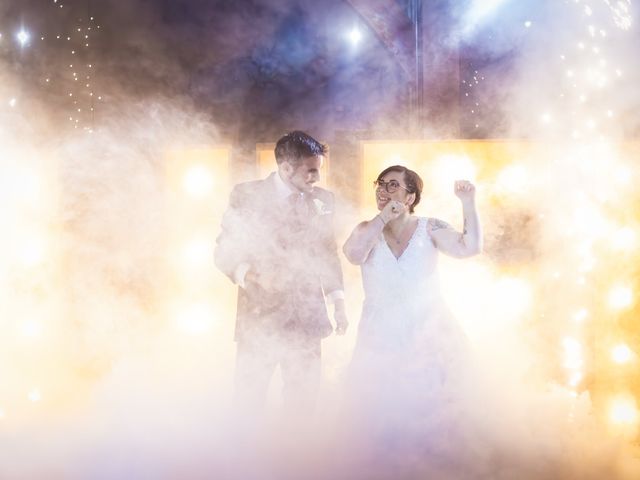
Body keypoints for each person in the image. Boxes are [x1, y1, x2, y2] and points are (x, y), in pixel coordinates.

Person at [341, 165, 481, 472]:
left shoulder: (429, 227)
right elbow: (353, 255)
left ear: (410, 196)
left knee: (432, 410)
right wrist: (382, 218)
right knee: (381, 412)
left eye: (392, 185)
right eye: (379, 184)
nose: (382, 190)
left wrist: (467, 203)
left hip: (427, 331)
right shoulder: (367, 228)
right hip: (380, 334)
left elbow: (469, 248)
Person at [215, 131, 348, 416]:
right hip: (259, 319)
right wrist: (253, 277)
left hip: (308, 319)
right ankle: (246, 457)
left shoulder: (324, 200)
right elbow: (224, 250)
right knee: (248, 401)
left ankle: (296, 455)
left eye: (318, 171)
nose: (316, 178)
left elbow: (328, 252)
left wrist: (338, 303)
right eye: (311, 171)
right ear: (286, 167)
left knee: (303, 403)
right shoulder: (246, 194)